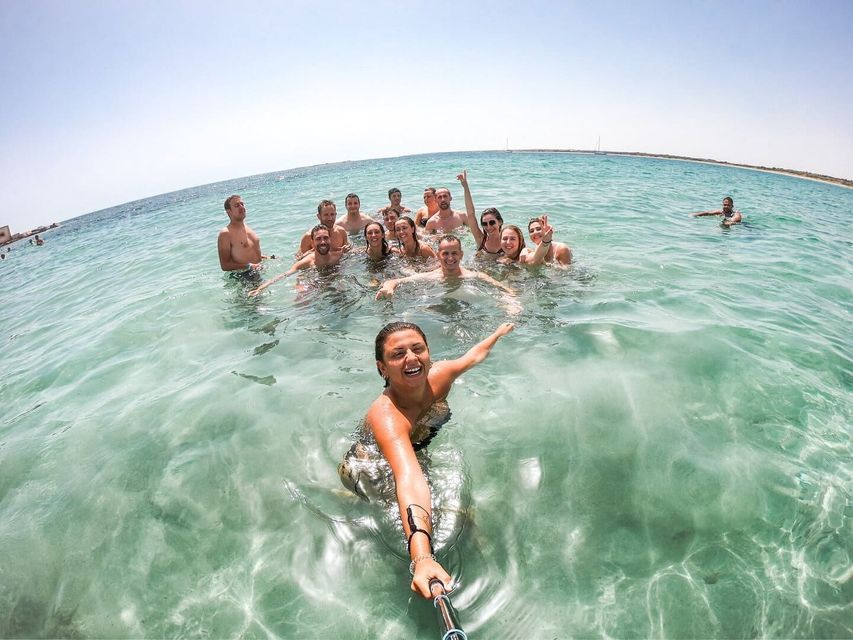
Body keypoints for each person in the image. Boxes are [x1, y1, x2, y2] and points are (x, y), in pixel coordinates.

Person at [345, 320, 515, 598]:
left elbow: (474, 355)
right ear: (382, 368)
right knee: (446, 515)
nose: (411, 357)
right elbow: (409, 478)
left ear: (428, 353)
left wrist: (498, 333)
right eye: (397, 354)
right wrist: (422, 559)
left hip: (413, 449)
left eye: (417, 349)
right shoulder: (387, 415)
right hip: (370, 467)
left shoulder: (441, 374)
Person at [376, 235, 516, 299]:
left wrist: (511, 303)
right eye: (445, 253)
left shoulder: (473, 275)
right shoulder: (431, 276)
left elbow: (503, 289)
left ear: (461, 255)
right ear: (438, 255)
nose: (450, 258)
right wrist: (389, 287)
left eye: (454, 253)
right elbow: (394, 281)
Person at [250, 225, 342, 296]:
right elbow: (283, 275)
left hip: (333, 280)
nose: (323, 242)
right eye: (318, 239)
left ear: (330, 239)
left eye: (325, 238)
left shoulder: (338, 255)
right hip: (314, 284)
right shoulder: (307, 262)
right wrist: (260, 289)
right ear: (313, 242)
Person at [457, 170, 504, 257]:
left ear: (500, 222)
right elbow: (470, 213)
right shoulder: (481, 240)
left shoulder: (507, 242)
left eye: (492, 222)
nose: (488, 227)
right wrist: (465, 186)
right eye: (484, 224)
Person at [217, 195, 268, 273]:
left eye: (242, 204)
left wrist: (268, 258)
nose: (242, 207)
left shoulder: (248, 228)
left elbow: (247, 253)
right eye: (237, 205)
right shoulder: (225, 233)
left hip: (258, 270)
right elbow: (225, 265)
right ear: (229, 212)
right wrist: (249, 266)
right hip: (244, 276)